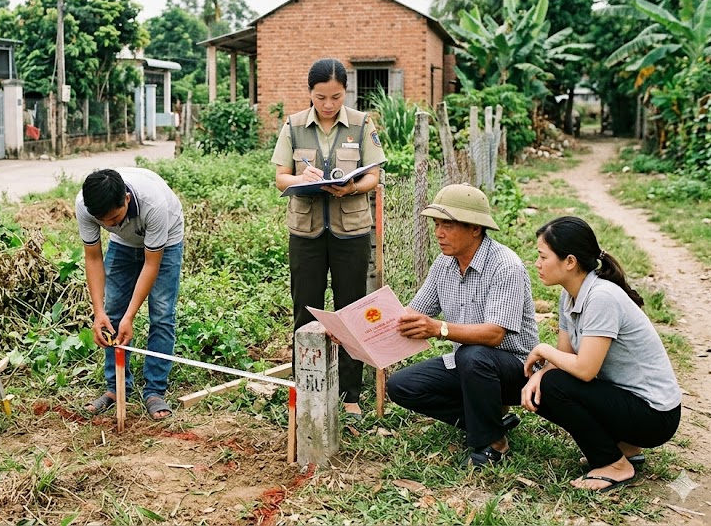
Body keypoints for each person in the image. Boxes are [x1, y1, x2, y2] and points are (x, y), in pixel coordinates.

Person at [524, 216, 681, 492]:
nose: (537, 264)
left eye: (542, 256)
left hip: (656, 415)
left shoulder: (601, 297)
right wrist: (541, 374)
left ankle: (614, 464)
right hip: (630, 402)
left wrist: (541, 350)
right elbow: (565, 356)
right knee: (544, 386)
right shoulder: (570, 295)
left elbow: (584, 370)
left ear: (570, 261)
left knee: (553, 387)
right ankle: (625, 448)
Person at [389, 183, 538, 465]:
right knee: (402, 385)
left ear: (475, 229)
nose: (438, 233)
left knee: (472, 354)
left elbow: (494, 334)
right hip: (471, 364)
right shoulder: (443, 264)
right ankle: (491, 421)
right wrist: (354, 331)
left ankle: (493, 445)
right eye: (436, 224)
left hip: (517, 368)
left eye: (448, 225)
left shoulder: (506, 265)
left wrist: (439, 329)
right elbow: (411, 315)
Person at [270, 58, 385, 421]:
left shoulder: (363, 124)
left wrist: (351, 185)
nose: (328, 105)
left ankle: (351, 394)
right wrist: (302, 179)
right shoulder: (292, 126)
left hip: (350, 231)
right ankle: (307, 385)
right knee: (305, 308)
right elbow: (280, 178)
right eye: (321, 97)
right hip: (306, 232)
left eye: (335, 97)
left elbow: (374, 177)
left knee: (351, 309)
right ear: (310, 94)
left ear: (345, 93)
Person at [76, 168, 184, 421]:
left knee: (161, 312)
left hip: (166, 241)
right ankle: (116, 388)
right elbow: (92, 258)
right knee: (112, 312)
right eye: (102, 221)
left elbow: (150, 264)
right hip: (124, 244)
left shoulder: (154, 204)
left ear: (126, 199)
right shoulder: (85, 205)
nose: (109, 225)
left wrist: (130, 317)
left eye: (113, 218)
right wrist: (99, 312)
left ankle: (155, 391)